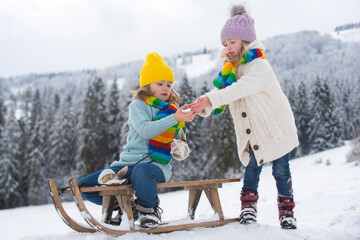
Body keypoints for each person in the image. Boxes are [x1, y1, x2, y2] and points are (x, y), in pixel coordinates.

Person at [188, 5, 299, 229]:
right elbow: (225, 93)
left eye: (232, 42)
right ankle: (248, 208)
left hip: (276, 127)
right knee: (251, 168)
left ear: (245, 41)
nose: (228, 48)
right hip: (252, 129)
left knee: (280, 171)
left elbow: (238, 89)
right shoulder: (232, 69)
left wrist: (211, 99)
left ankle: (287, 213)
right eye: (225, 44)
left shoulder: (259, 66)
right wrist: (202, 106)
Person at [78, 52, 196, 229]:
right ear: (147, 85)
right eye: (160, 83)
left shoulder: (173, 111)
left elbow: (180, 147)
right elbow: (145, 130)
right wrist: (175, 118)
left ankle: (149, 211)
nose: (166, 88)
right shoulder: (138, 106)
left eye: (169, 84)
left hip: (156, 167)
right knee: (84, 186)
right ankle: (125, 206)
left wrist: (181, 147)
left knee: (141, 171)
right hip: (125, 165)